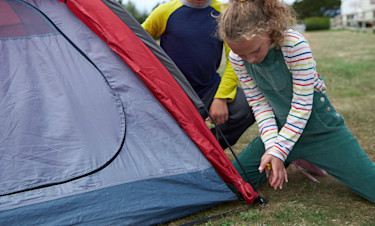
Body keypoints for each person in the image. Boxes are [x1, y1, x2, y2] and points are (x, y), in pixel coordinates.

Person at [217, 0, 375, 202]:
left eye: (255, 51)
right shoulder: (238, 59)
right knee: (232, 184)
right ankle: (295, 154)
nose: (250, 60)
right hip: (282, 131)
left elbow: (302, 106)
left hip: (321, 130)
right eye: (240, 54)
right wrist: (274, 147)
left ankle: (305, 154)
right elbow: (259, 104)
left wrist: (278, 151)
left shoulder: (294, 45)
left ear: (269, 30)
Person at [142, 0, 254, 149]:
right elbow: (134, 41)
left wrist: (221, 97)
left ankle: (208, 150)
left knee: (247, 106)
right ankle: (184, 150)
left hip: (209, 89)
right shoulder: (164, 12)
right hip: (173, 94)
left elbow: (235, 60)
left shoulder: (225, 11)